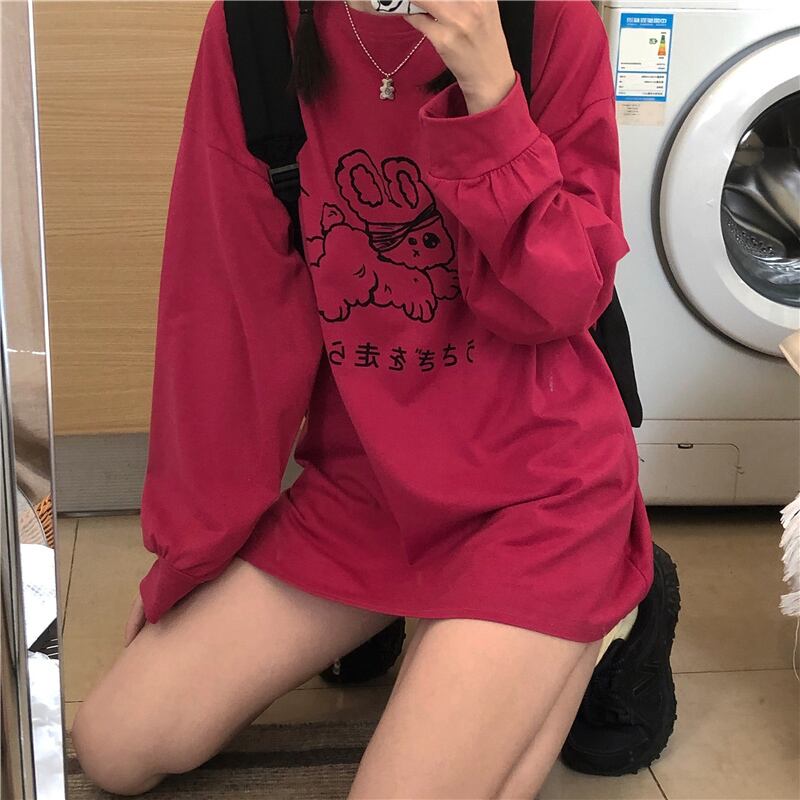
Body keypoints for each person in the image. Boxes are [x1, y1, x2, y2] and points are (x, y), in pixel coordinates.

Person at [70, 1, 667, 796]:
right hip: (368, 488)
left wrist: (492, 99)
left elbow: (565, 301)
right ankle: (434, 623)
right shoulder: (254, 29)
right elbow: (223, 325)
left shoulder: (547, 22)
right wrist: (188, 551)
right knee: (115, 745)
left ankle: (608, 602)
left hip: (537, 493)